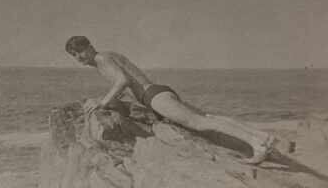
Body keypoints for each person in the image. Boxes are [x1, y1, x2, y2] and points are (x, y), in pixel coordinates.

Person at [64, 35, 281, 164]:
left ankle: (257, 144)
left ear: (89, 47)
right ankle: (261, 136)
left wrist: (102, 103)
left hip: (153, 97)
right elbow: (127, 80)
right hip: (158, 92)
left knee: (201, 123)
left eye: (80, 51)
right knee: (208, 117)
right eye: (74, 55)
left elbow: (121, 81)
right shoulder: (109, 55)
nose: (78, 57)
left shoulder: (101, 58)